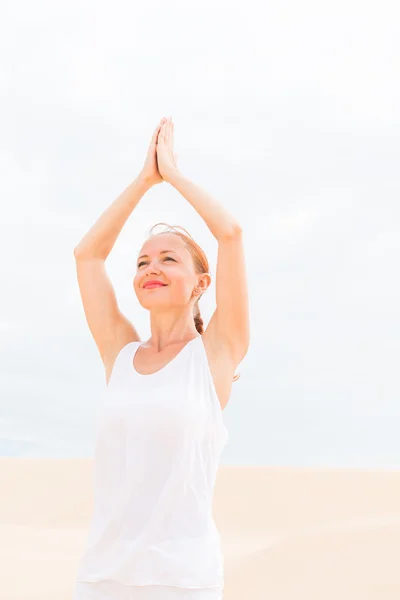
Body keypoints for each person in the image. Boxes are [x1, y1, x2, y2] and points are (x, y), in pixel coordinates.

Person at [72, 116, 250, 599]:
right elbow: (87, 255)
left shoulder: (215, 354)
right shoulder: (120, 355)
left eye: (169, 259)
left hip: (181, 582)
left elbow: (230, 234)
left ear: (201, 282)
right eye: (143, 262)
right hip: (101, 578)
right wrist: (142, 182)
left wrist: (172, 175)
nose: (152, 268)